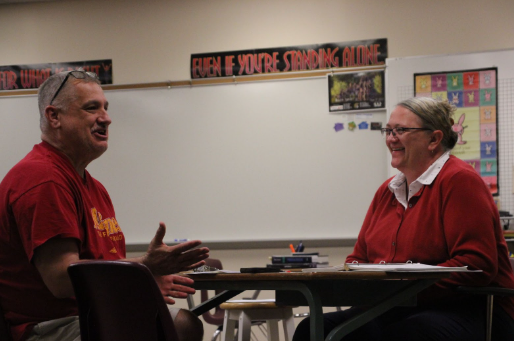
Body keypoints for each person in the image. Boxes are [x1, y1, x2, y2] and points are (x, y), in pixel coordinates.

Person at [0, 69, 210, 341]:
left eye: (106, 109)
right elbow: (62, 280)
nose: (106, 118)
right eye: (91, 108)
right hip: (50, 328)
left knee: (185, 324)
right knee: (176, 327)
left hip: (92, 313)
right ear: (54, 117)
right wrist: (145, 269)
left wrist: (141, 282)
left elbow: (103, 265)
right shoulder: (43, 178)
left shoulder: (93, 187)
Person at [293, 97, 514, 341]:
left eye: (401, 130)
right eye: (388, 131)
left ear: (434, 139)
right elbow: (357, 259)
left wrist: (403, 286)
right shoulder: (386, 191)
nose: (391, 138)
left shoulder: (459, 181)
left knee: (406, 334)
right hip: (394, 307)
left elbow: (477, 264)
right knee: (313, 329)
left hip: (469, 308)